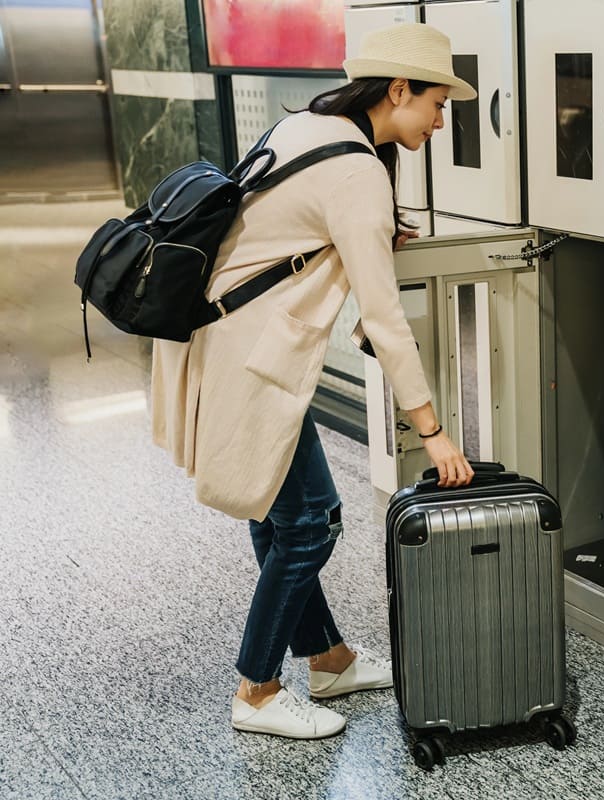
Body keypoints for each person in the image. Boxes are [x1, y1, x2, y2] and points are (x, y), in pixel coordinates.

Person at [150, 23, 476, 740]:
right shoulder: (359, 170)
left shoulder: (308, 125)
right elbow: (385, 318)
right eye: (438, 102)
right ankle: (257, 692)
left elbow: (283, 224)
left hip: (232, 338)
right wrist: (433, 431)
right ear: (398, 91)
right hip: (253, 353)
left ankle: (326, 659)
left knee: (279, 512)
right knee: (310, 521)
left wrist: (369, 236)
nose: (443, 117)